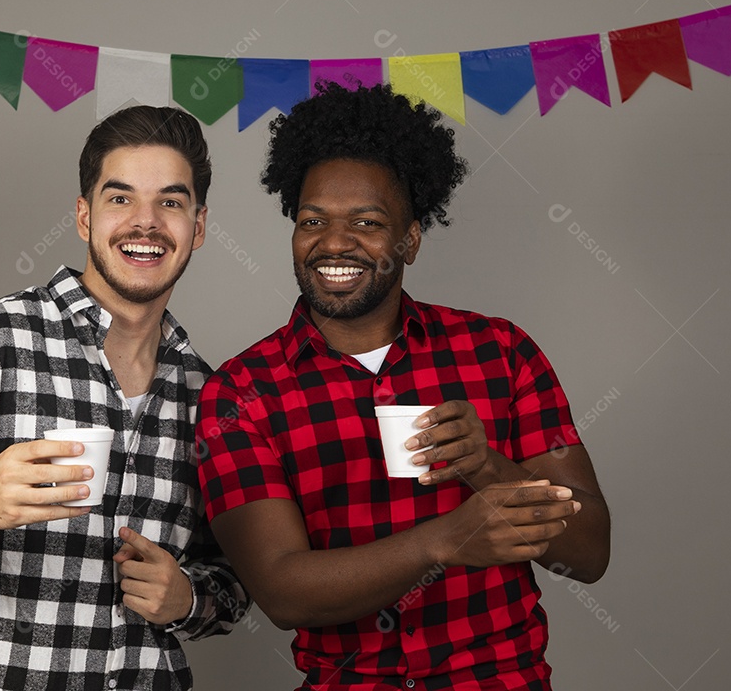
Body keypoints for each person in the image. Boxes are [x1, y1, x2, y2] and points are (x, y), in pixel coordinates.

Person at [196, 83, 610, 690]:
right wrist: (445, 540)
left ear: (409, 240)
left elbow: (588, 553)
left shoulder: (500, 352)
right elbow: (284, 592)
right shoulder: (241, 393)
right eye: (314, 221)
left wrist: (486, 465)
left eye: (367, 222)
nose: (334, 243)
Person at [0, 105, 249, 691]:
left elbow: (237, 575)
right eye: (121, 199)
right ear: (85, 217)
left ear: (198, 225)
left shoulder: (208, 391)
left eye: (170, 201)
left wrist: (191, 598)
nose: (145, 223)